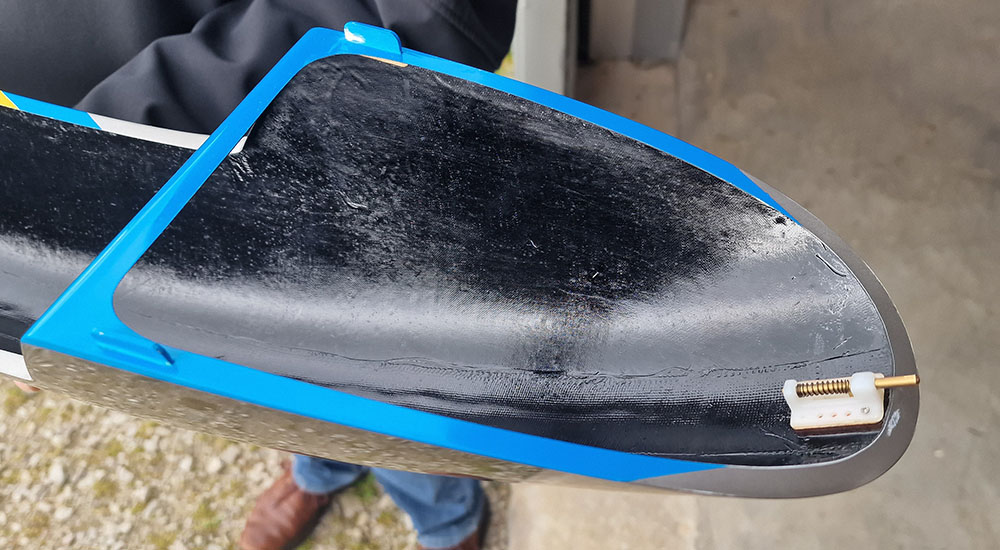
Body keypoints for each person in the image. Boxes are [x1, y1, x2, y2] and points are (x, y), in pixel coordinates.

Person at [1, 2, 517, 549]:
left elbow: (426, 11)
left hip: (333, 152)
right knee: (260, 378)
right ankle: (321, 467)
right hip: (114, 243)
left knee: (383, 365)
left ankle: (445, 514)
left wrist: (80, 170)